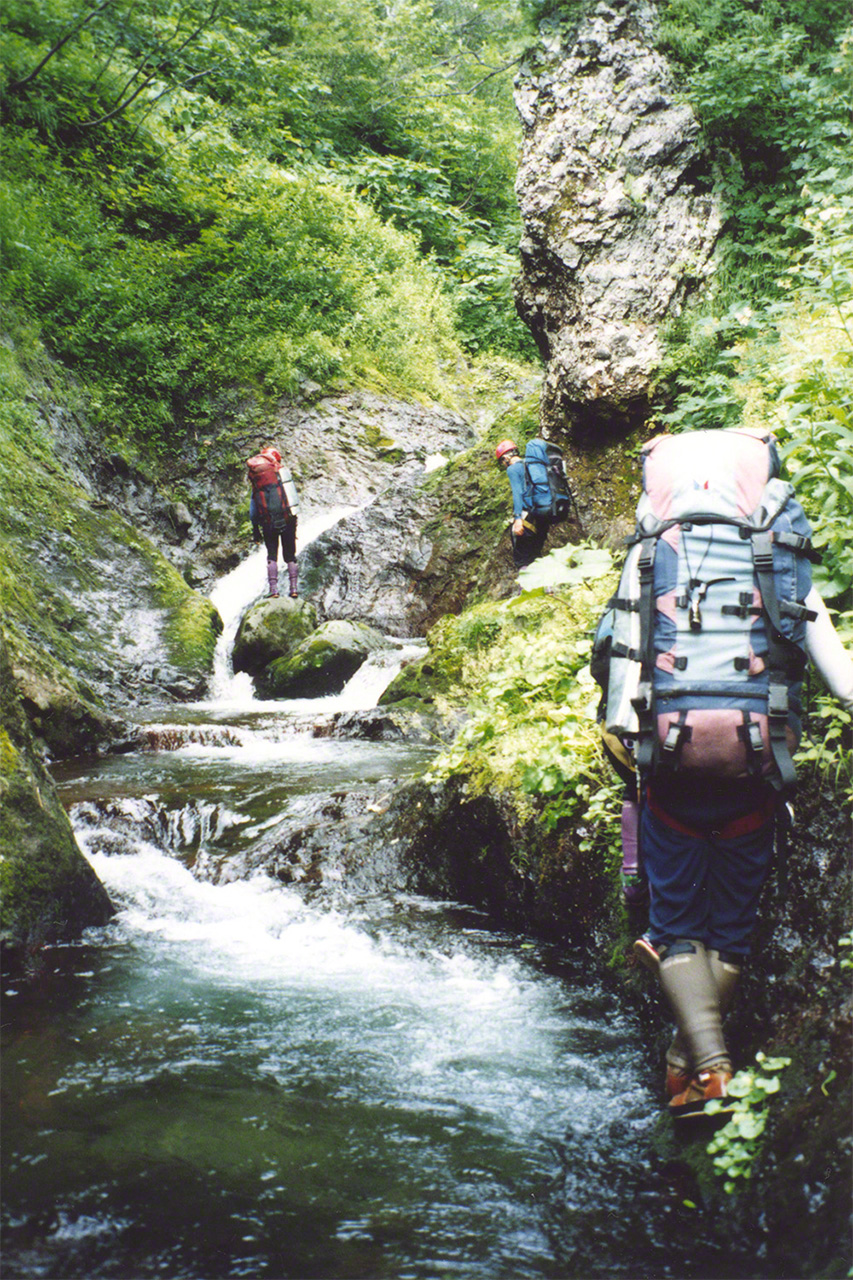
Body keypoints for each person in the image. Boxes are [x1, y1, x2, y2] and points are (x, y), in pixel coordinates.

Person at [638, 585, 853, 1117]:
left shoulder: (652, 555)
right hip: (754, 775)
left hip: (672, 778)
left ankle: (707, 1065)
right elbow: (843, 680)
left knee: (675, 925)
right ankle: (689, 1065)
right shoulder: (783, 559)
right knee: (730, 929)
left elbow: (612, 661)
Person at [248, 447, 299, 599]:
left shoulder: (258, 484)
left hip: (267, 522)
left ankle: (274, 590)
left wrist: (255, 529)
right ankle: (294, 589)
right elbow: (293, 500)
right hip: (288, 520)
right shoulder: (282, 477)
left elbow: (253, 511)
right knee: (290, 555)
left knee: (272, 555)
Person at [495, 439, 552, 569]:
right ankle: (548, 588)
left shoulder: (513, 469)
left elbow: (517, 493)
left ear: (506, 457)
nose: (504, 464)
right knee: (535, 554)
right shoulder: (534, 464)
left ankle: (526, 588)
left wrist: (517, 518)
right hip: (545, 514)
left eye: (502, 461)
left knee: (522, 559)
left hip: (529, 516)